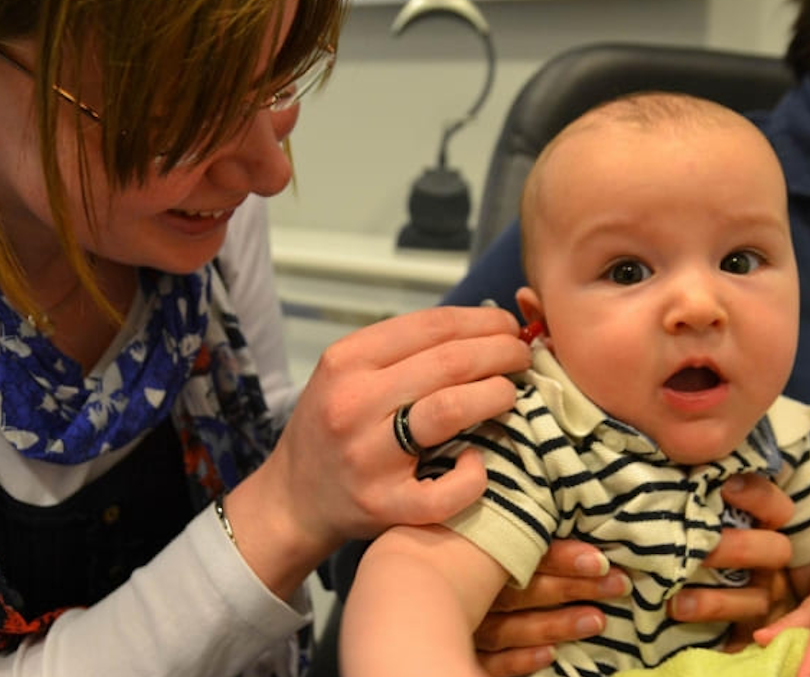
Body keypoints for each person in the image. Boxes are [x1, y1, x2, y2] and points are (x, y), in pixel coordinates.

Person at [0, 1, 537, 674]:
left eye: (275, 84)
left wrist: (479, 559)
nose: (270, 173)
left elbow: (252, 422)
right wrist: (285, 511)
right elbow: (279, 490)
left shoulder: (194, 223)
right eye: (182, 117)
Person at [341, 93, 810, 677]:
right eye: (628, 271)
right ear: (546, 325)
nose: (699, 306)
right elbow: (415, 578)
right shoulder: (537, 438)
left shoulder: (772, 439)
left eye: (739, 261)